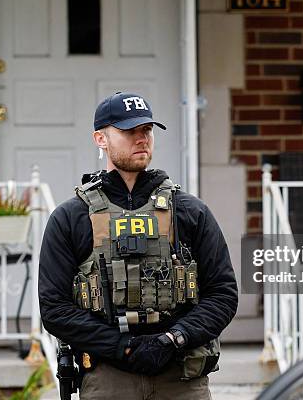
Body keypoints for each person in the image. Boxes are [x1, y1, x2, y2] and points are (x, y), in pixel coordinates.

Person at [38, 92, 238, 399]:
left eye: (146, 130)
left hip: (180, 375)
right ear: (100, 139)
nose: (141, 138)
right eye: (129, 131)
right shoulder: (72, 216)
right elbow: (54, 308)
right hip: (109, 376)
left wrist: (174, 338)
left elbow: (223, 294)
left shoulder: (189, 211)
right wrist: (123, 348)